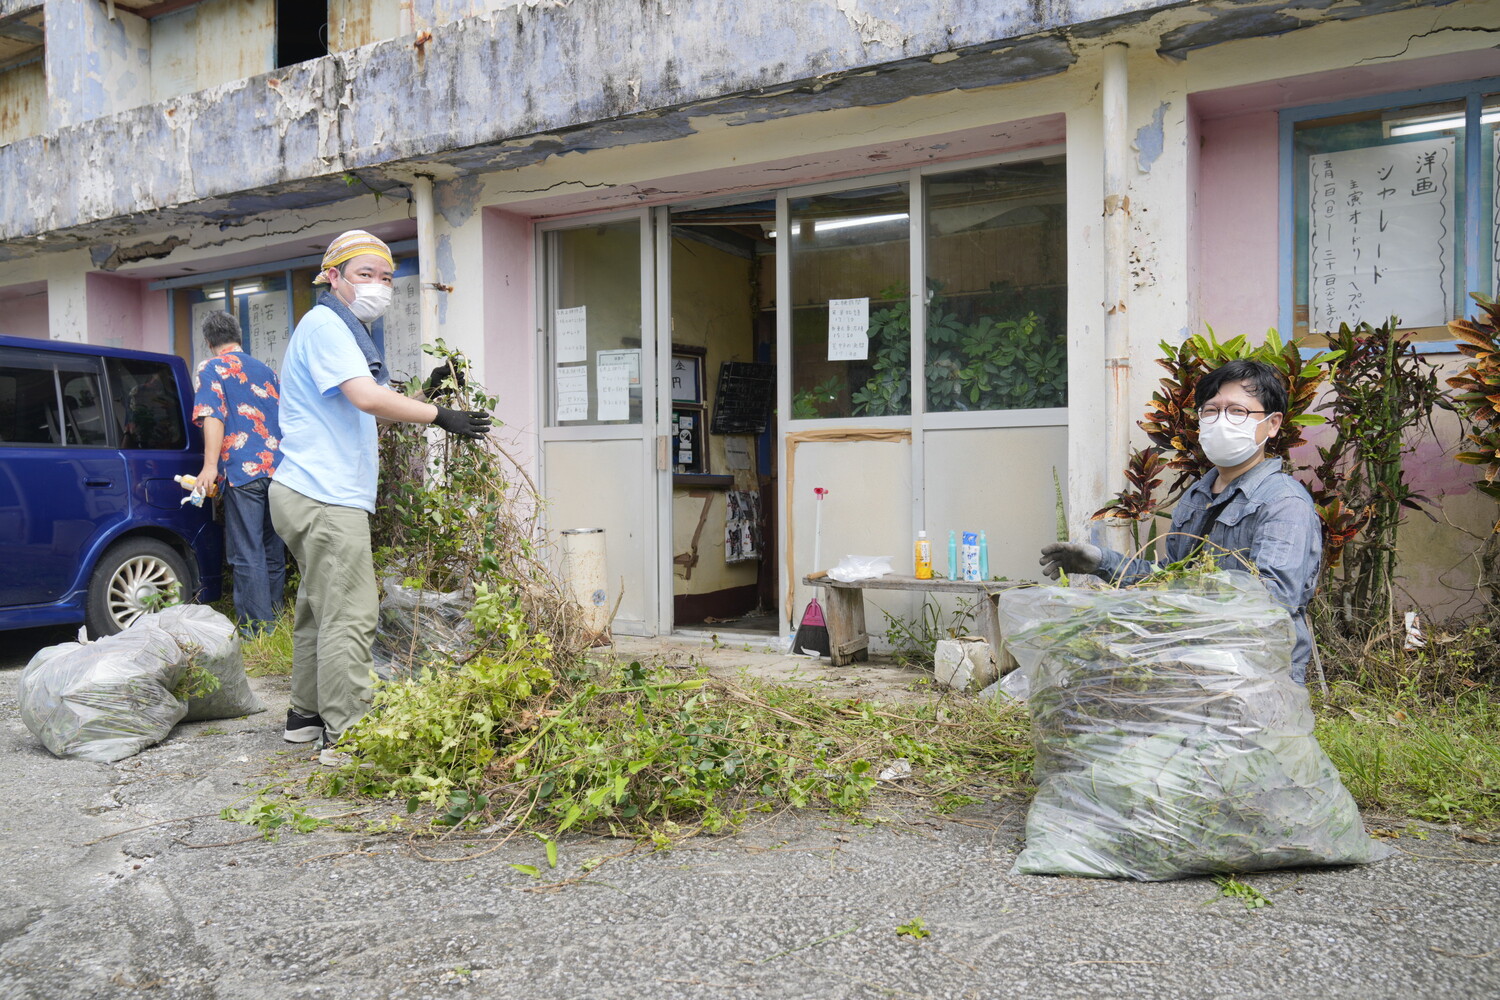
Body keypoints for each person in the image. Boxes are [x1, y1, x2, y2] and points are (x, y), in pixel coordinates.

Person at [269, 230, 491, 766]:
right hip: (324, 495)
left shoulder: (339, 330)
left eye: (387, 277)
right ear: (333, 277)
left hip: (305, 490)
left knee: (318, 607)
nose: (378, 286)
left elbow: (365, 406)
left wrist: (424, 396)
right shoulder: (326, 324)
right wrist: (444, 417)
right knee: (350, 611)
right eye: (364, 274)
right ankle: (346, 734)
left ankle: (305, 715)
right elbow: (366, 397)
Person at [1039, 359, 1323, 682]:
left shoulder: (1284, 503)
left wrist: (1187, 597)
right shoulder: (1197, 497)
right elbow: (1167, 580)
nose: (1221, 421)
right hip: (1187, 665)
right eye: (1211, 411)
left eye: (1237, 412)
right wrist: (1102, 562)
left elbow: (1273, 600)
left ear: (1272, 424)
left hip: (1256, 676)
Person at [191, 310, 286, 635]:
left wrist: (209, 466)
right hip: (279, 470)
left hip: (243, 471)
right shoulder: (267, 370)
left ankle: (257, 631)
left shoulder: (211, 368)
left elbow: (213, 415)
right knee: (272, 549)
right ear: (239, 336)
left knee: (246, 551)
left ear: (208, 341)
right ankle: (276, 622)